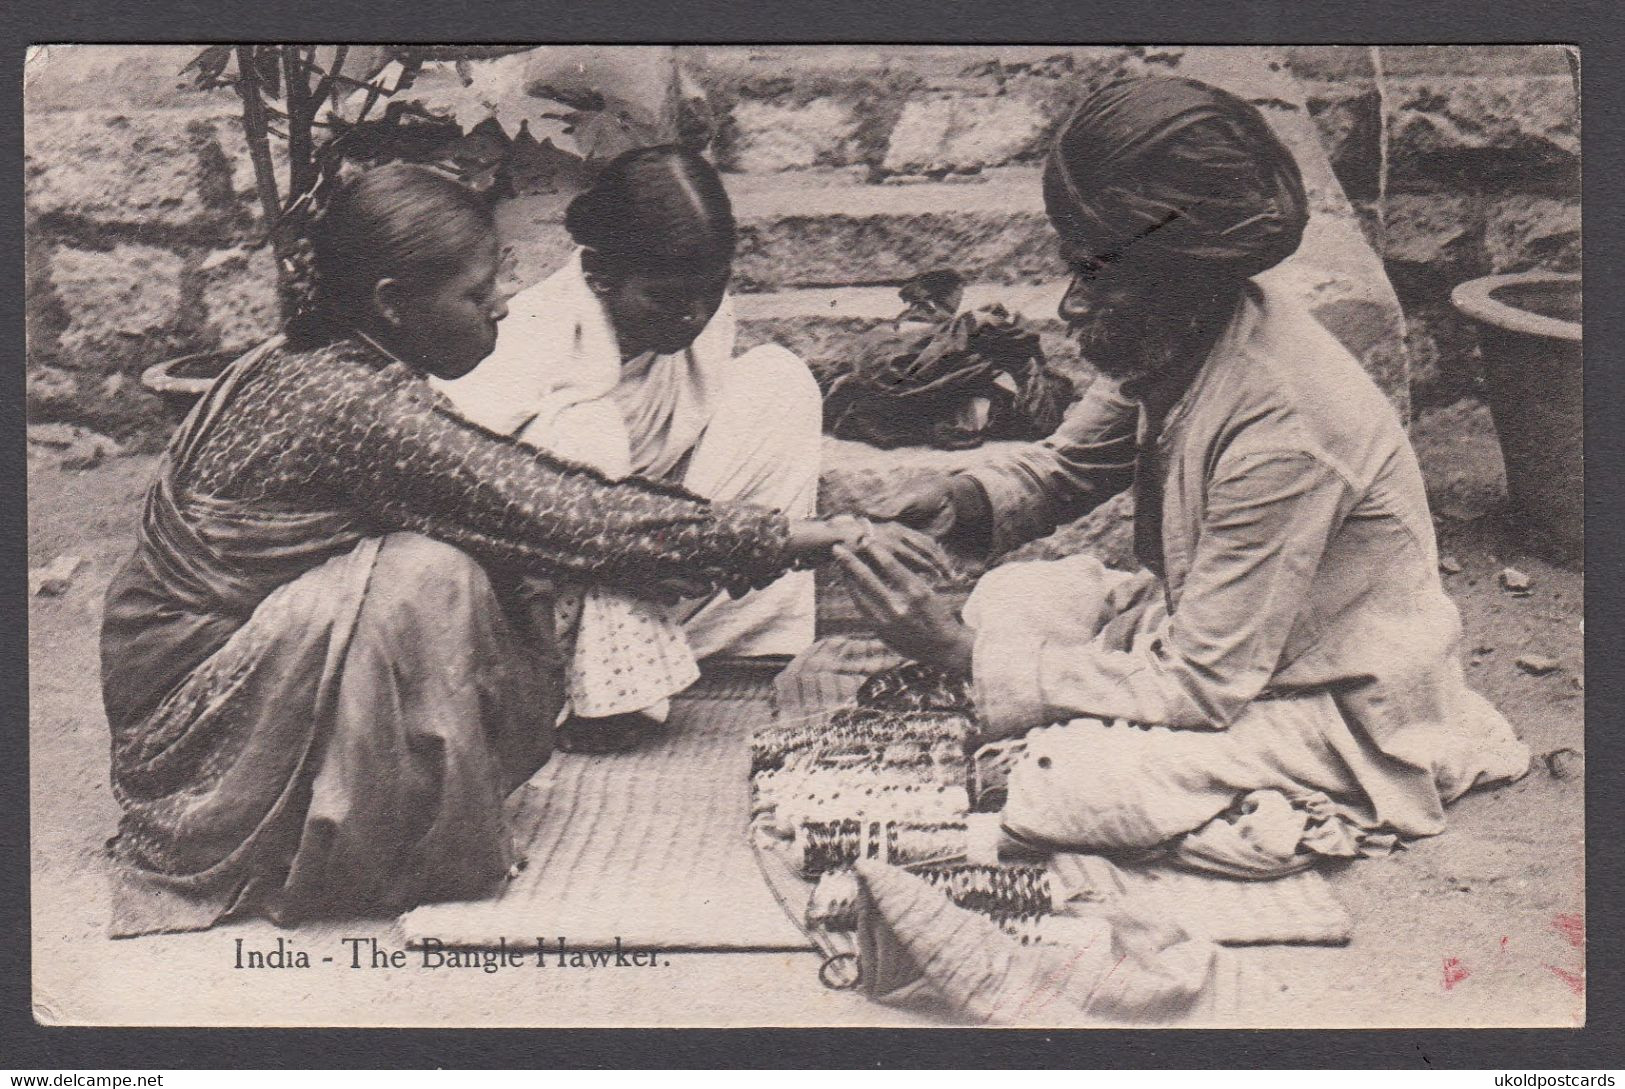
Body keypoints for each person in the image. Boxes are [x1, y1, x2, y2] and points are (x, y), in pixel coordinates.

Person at [99, 161, 925, 936]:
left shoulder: (318, 361)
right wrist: (792, 534)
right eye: (477, 290)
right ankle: (378, 842)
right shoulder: (352, 405)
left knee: (454, 555)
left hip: (196, 666)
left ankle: (387, 795)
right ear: (392, 302)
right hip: (188, 726)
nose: (500, 304)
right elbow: (573, 515)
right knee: (428, 573)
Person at [837, 77, 1530, 867]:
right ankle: (1073, 720)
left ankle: (1249, 783)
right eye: (1076, 270)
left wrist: (954, 653)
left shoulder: (1285, 425)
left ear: (1182, 275)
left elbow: (1202, 687)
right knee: (1013, 595)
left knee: (1065, 784)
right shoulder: (1176, 328)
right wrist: (958, 501)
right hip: (1212, 641)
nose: (1068, 308)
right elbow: (1063, 470)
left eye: (1096, 277)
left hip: (1326, 699)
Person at [436, 145, 824, 751]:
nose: (694, 315)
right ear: (600, 277)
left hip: (657, 553)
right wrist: (635, 529)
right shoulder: (525, 338)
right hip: (553, 573)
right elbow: (481, 503)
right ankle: (596, 684)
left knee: (779, 378)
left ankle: (722, 647)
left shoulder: (698, 312)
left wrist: (669, 531)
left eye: (712, 290)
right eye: (667, 298)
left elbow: (680, 460)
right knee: (588, 430)